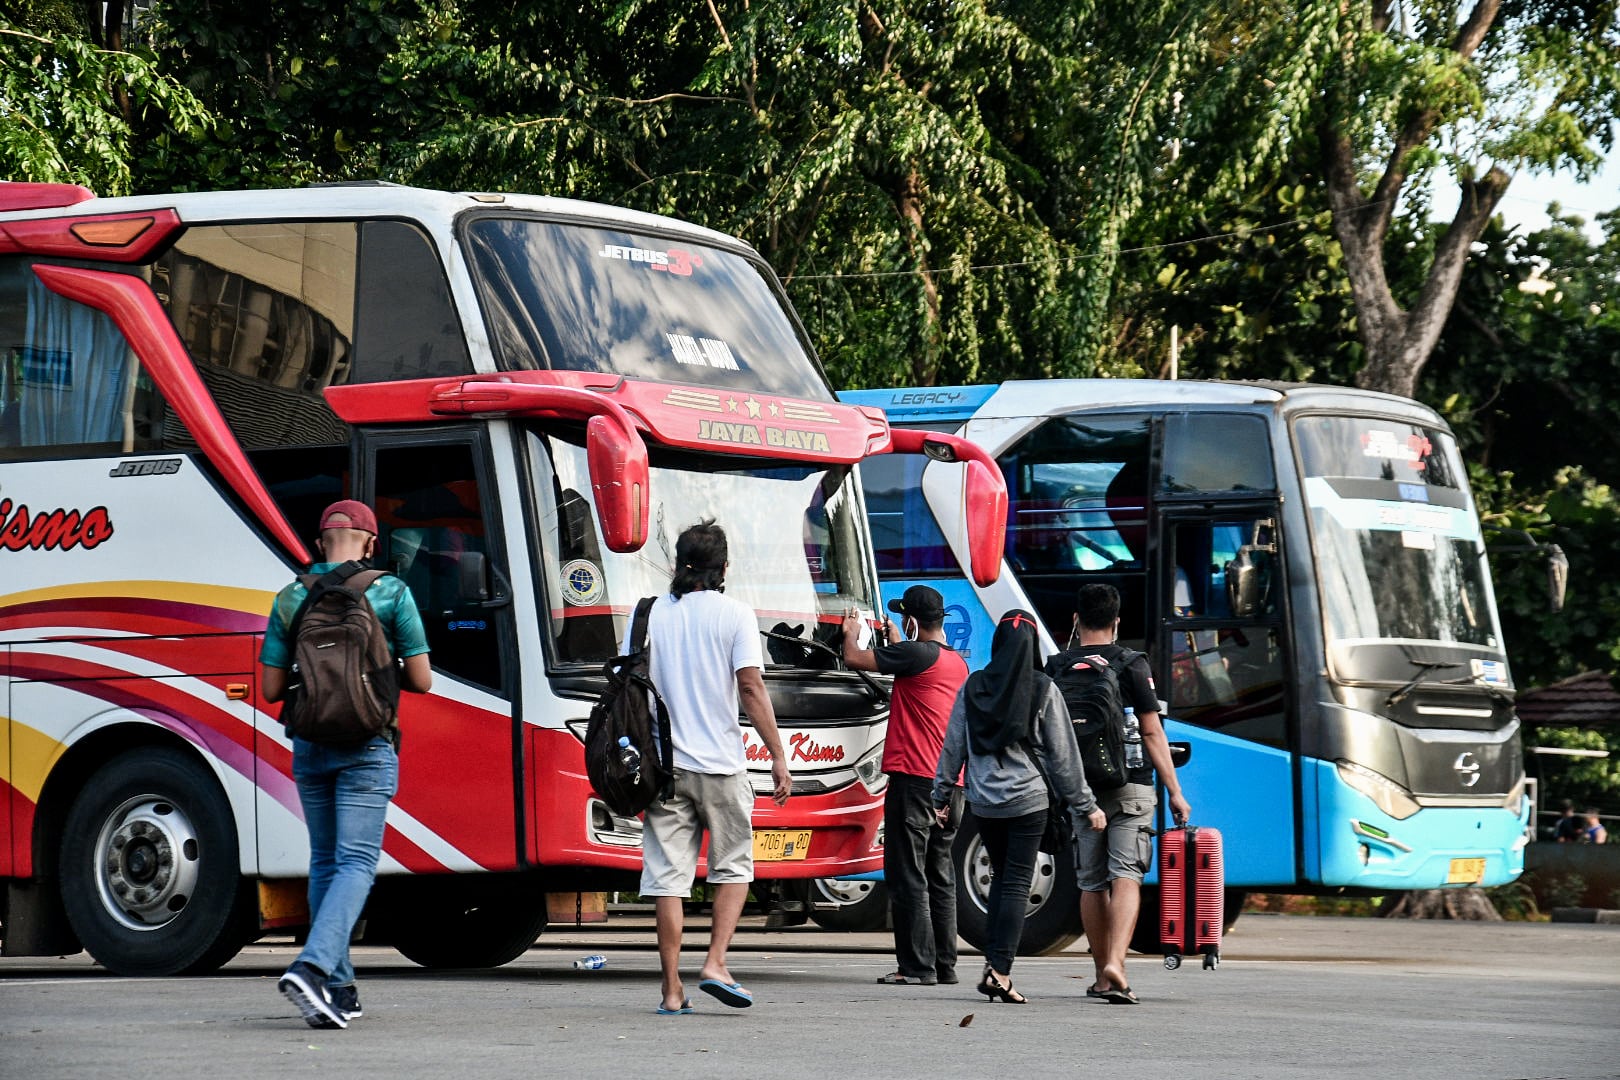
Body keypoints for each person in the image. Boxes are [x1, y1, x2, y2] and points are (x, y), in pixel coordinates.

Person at [261, 499, 433, 1029]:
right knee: (357, 863)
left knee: (324, 863)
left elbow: (270, 689)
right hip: (368, 743)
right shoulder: (390, 591)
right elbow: (423, 680)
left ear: (319, 544)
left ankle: (338, 988)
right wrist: (377, 669)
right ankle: (313, 968)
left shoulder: (291, 596)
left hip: (311, 744)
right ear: (371, 543)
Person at [635, 519, 792, 1015]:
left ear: (678, 564)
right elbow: (750, 688)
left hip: (664, 767)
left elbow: (629, 688)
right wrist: (777, 752)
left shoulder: (646, 616)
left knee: (666, 879)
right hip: (722, 766)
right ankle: (715, 963)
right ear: (723, 568)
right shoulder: (735, 615)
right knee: (732, 868)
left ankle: (670, 990)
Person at [932, 609, 1106, 1004]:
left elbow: (953, 746)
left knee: (1000, 879)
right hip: (1028, 802)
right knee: (1014, 883)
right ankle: (999, 971)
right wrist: (1086, 805)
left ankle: (995, 964)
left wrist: (940, 796)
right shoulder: (1043, 688)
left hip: (984, 804)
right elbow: (1064, 757)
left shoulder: (974, 686)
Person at [1053, 582, 1190, 1006]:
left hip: (1081, 789)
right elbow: (1152, 731)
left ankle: (1099, 975)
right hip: (1130, 783)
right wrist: (1176, 792)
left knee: (1091, 882)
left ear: (1076, 619)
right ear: (1117, 622)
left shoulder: (1055, 667)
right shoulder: (1132, 663)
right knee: (1126, 874)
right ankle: (1117, 964)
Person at [841, 585, 970, 987]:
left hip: (915, 781)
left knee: (908, 874)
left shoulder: (915, 655)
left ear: (912, 621)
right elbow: (911, 662)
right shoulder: (955, 663)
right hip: (953, 785)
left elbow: (853, 658)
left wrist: (850, 628)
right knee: (940, 875)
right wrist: (899, 641)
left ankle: (916, 967)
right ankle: (945, 965)